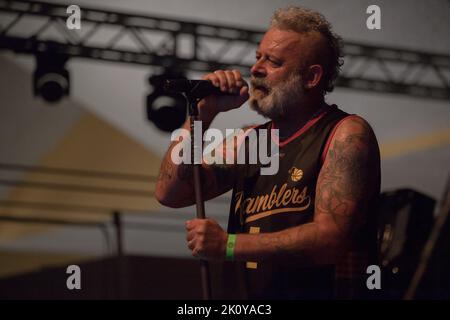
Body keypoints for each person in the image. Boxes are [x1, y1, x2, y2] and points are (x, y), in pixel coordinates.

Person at [155, 6, 381, 299]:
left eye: (272, 61)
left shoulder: (345, 133)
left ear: (311, 77)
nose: (256, 69)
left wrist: (229, 245)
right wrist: (203, 112)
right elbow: (169, 192)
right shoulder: (251, 141)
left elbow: (331, 238)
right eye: (257, 57)